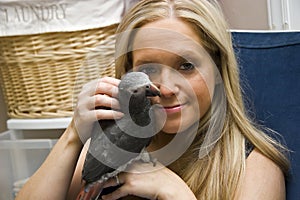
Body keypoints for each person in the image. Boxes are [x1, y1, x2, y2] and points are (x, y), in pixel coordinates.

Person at [16, 0, 289, 199]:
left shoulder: (255, 169)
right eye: (147, 70)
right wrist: (73, 136)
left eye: (186, 66)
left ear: (218, 71)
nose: (166, 89)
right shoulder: (109, 145)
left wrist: (174, 191)